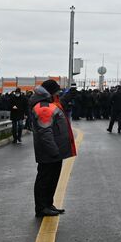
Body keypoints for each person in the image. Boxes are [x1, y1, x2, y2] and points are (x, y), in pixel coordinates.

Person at [30, 80, 75, 217]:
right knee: (45, 179)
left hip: (54, 150)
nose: (59, 94)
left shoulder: (48, 103)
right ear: (50, 92)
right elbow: (45, 132)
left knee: (51, 179)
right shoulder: (44, 107)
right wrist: (54, 151)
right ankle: (42, 207)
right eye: (57, 91)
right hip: (50, 151)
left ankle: (48, 204)